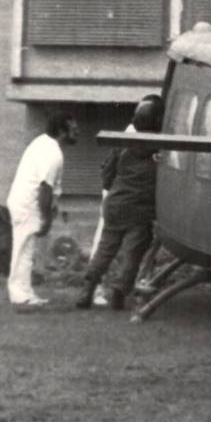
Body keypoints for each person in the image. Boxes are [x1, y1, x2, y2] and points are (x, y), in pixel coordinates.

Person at [76, 98, 161, 311]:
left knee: (105, 249)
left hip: (115, 203)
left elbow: (106, 175)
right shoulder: (163, 147)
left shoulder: (122, 143)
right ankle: (118, 293)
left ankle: (87, 290)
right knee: (132, 253)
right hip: (141, 208)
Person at [5, 108, 78, 311]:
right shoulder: (52, 153)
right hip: (28, 203)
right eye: (73, 128)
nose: (77, 131)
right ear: (62, 130)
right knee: (25, 249)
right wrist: (46, 218)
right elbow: (45, 187)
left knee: (26, 249)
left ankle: (24, 293)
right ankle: (21, 296)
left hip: (25, 201)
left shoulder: (44, 143)